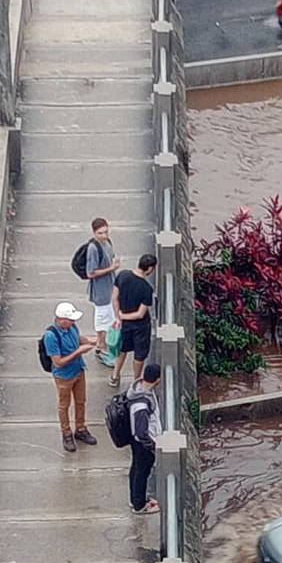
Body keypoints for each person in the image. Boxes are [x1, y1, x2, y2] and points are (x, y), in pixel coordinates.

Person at [44, 302, 98, 452]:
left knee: (81, 401)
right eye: (71, 320)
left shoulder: (72, 327)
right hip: (64, 376)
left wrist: (88, 341)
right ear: (61, 319)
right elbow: (58, 362)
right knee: (64, 405)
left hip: (78, 370)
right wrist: (79, 352)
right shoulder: (51, 336)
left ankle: (80, 428)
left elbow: (77, 337)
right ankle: (66, 432)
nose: (74, 323)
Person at [73, 218, 121, 368]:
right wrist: (111, 269)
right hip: (101, 292)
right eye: (100, 233)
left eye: (106, 232)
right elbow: (91, 272)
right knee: (103, 322)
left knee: (109, 319)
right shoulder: (94, 249)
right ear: (94, 233)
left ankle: (104, 346)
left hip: (110, 288)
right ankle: (102, 348)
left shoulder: (107, 243)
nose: (104, 236)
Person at [110, 252, 158, 388]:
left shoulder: (123, 275)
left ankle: (115, 375)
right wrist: (123, 317)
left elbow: (114, 297)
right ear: (149, 268)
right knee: (139, 354)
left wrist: (118, 316)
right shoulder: (146, 289)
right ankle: (136, 380)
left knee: (122, 349)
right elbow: (140, 314)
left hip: (124, 323)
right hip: (140, 327)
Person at [125, 361, 162, 515]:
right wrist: (151, 446)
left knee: (136, 469)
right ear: (158, 380)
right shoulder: (142, 403)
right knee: (142, 472)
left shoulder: (139, 388)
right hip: (143, 444)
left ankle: (135, 498)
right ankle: (139, 505)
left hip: (136, 441)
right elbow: (141, 432)